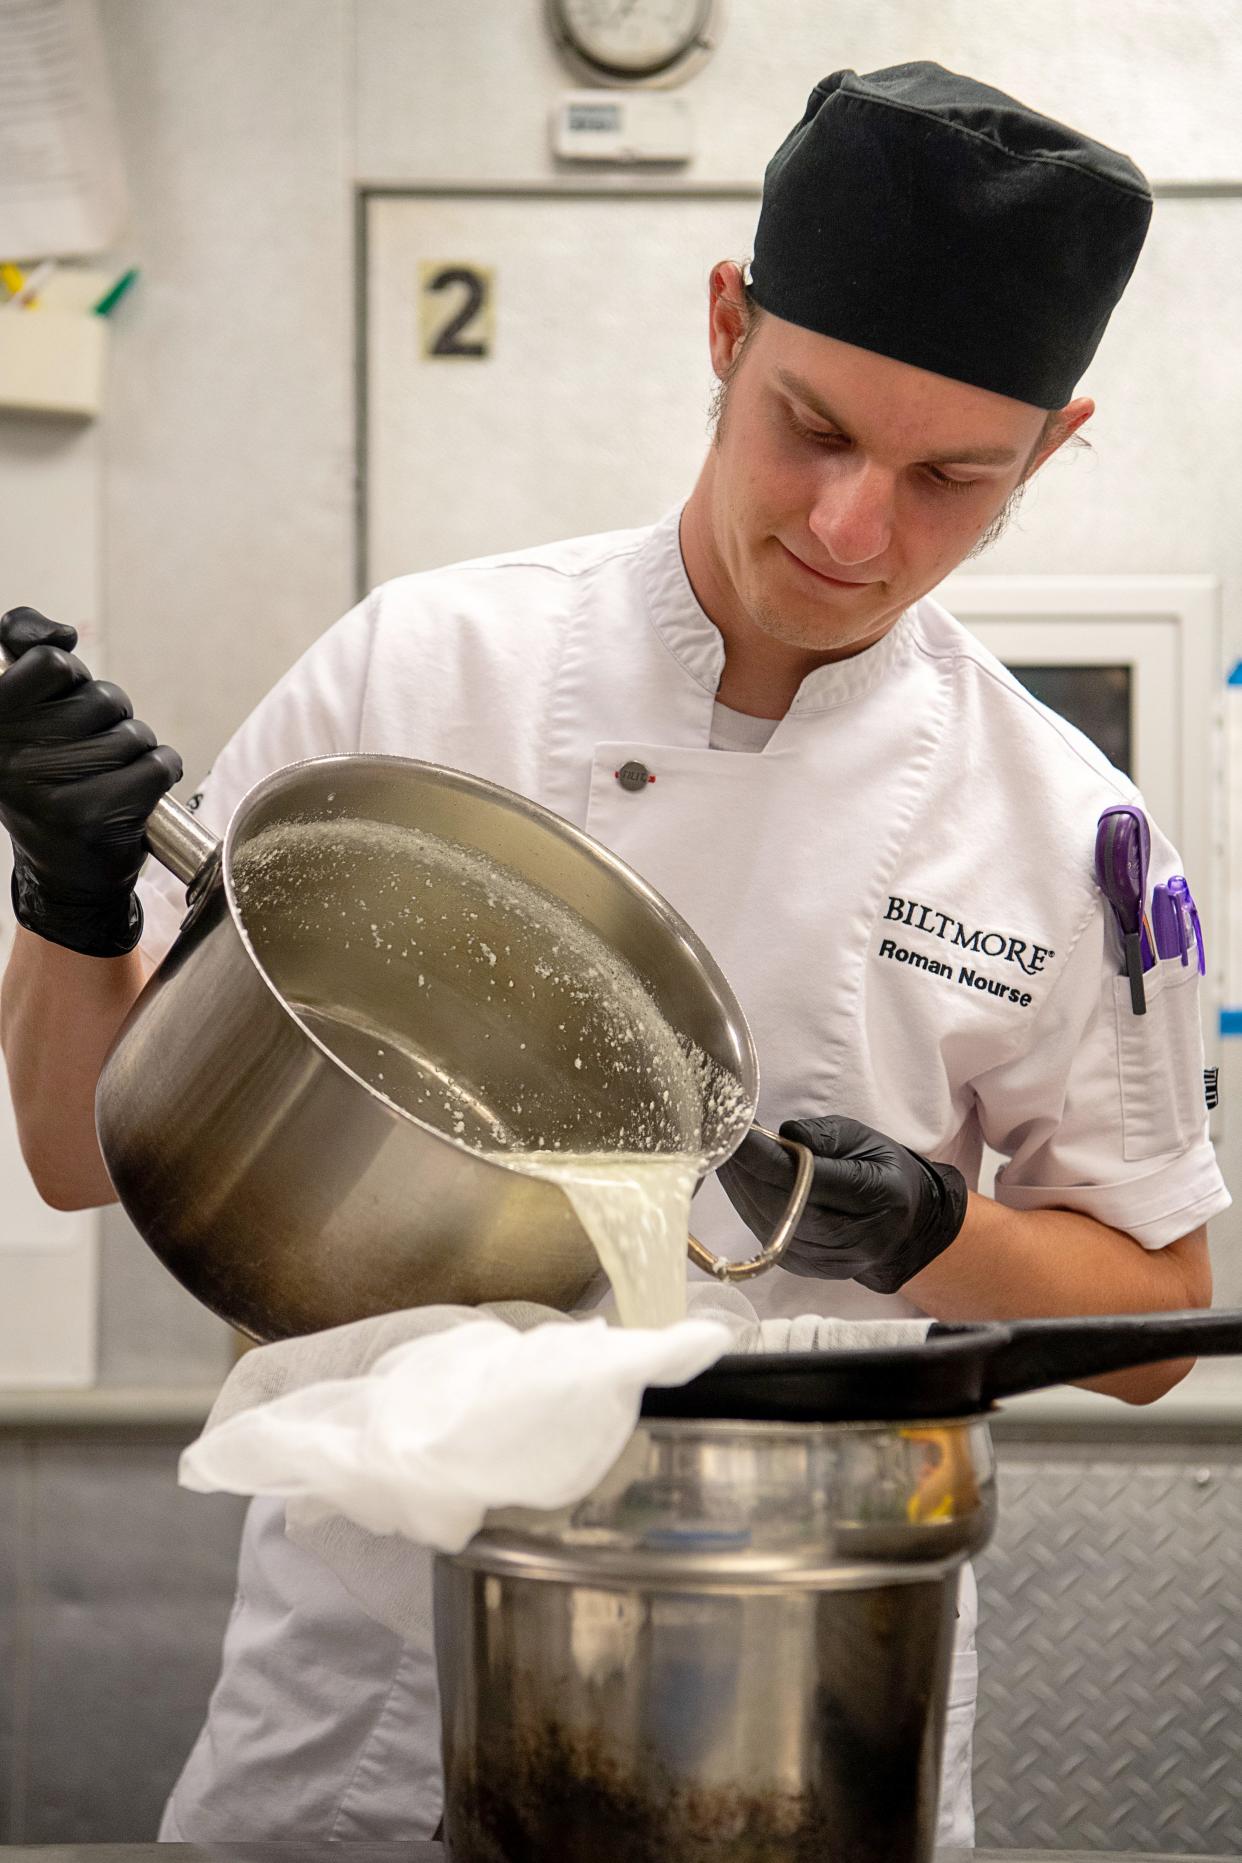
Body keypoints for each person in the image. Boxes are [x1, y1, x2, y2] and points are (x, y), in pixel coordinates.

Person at [0, 61, 1227, 1851]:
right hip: (366, 1701)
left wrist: (926, 1234)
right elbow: (71, 1151)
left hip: (801, 1688)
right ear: (725, 327)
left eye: (952, 477)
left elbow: (1152, 1329)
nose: (849, 529)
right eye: (810, 426)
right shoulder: (425, 668)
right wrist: (73, 895)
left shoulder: (1058, 828)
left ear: (1053, 444)